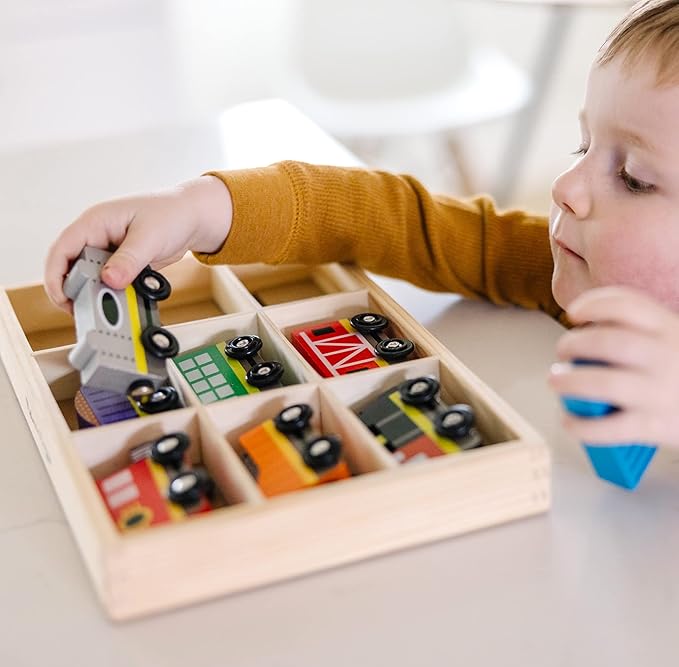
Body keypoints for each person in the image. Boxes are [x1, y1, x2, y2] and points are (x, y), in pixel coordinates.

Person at [44, 0, 679, 448]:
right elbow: (387, 216)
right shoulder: (565, 262)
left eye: (635, 179)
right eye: (582, 147)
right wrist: (201, 207)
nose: (566, 188)